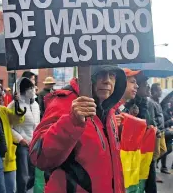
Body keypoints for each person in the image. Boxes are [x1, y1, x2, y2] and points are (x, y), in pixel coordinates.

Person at [29, 65, 127, 193]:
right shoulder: (65, 102)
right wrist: (71, 121)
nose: (107, 80)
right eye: (100, 74)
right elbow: (39, 155)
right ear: (87, 76)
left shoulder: (108, 110)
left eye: (112, 75)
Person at [9, 77, 40, 193]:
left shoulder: (36, 105)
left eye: (33, 87)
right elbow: (7, 126)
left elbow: (37, 124)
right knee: (23, 176)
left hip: (34, 144)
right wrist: (20, 139)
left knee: (33, 175)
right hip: (22, 145)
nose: (33, 90)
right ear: (22, 90)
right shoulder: (14, 105)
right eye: (29, 88)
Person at [158, 97, 173, 174]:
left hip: (170, 133)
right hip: (166, 132)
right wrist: (171, 121)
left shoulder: (171, 111)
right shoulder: (165, 110)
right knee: (165, 150)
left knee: (168, 149)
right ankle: (161, 165)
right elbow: (163, 123)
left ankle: (163, 167)